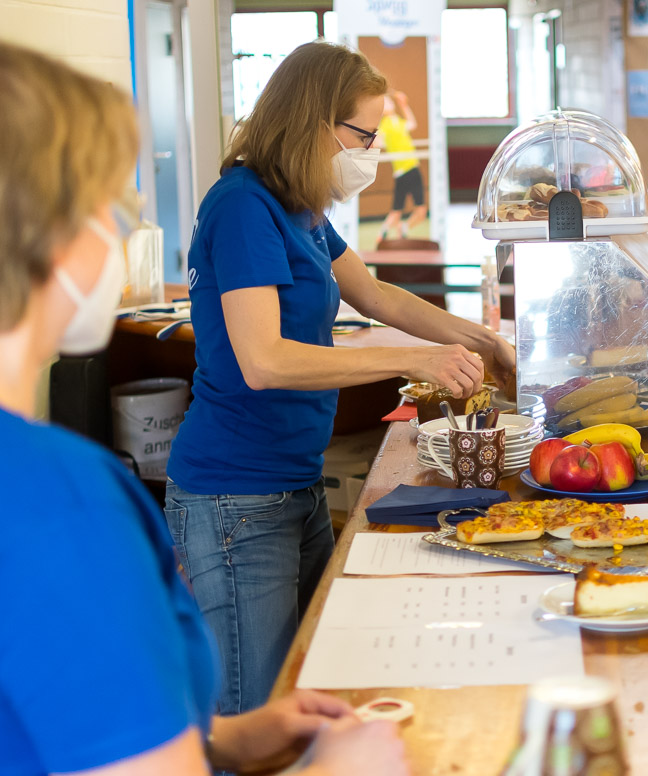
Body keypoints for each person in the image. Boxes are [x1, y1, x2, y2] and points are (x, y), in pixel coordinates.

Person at [0, 38, 407, 776]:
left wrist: (225, 740)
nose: (125, 231)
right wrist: (345, 768)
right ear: (47, 233)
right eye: (114, 206)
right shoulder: (57, 500)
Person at [165, 41, 516, 716]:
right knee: (255, 713)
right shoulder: (243, 206)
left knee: (308, 688)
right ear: (314, 123)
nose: (370, 150)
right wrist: (411, 360)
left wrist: (482, 340)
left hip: (295, 481)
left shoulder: (299, 207)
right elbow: (266, 360)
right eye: (363, 135)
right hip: (235, 495)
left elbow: (376, 295)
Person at [378, 91, 427, 242]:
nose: (389, 102)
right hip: (401, 172)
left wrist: (404, 105)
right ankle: (381, 235)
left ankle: (404, 228)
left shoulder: (399, 121)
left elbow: (412, 124)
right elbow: (377, 142)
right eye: (385, 102)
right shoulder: (383, 126)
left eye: (389, 101)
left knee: (421, 211)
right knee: (396, 212)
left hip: (413, 167)